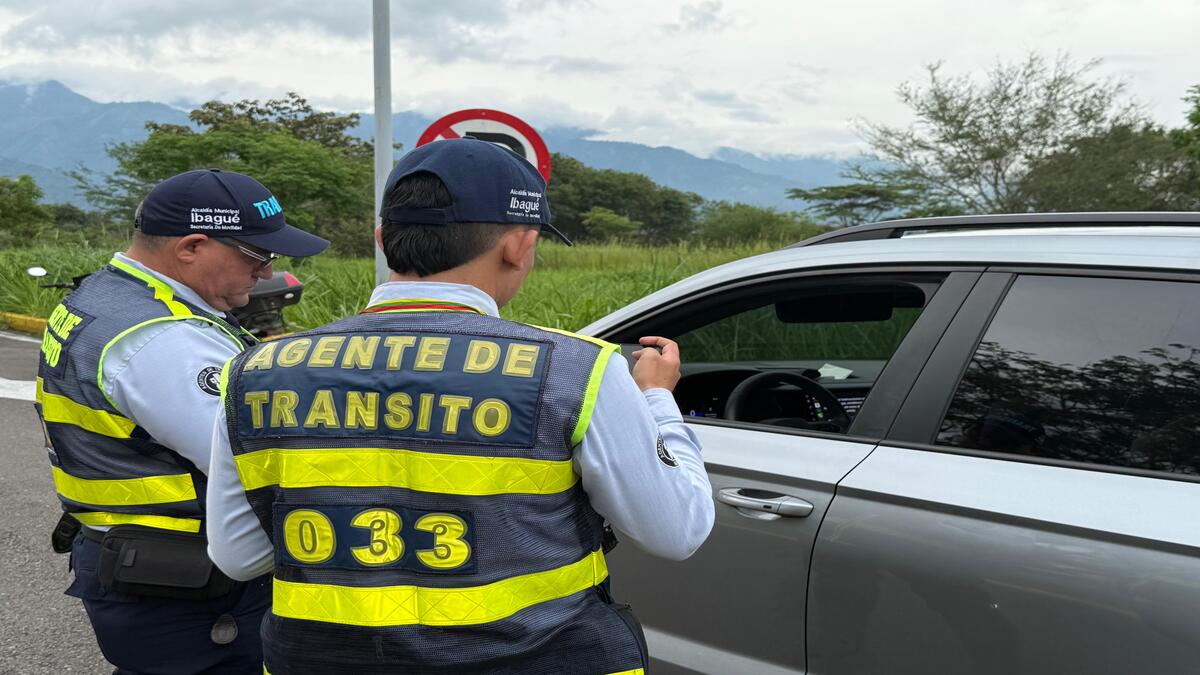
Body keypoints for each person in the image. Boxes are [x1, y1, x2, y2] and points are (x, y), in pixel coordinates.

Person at [207, 139, 715, 674]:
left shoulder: (255, 370)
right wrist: (657, 400)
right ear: (519, 245)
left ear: (384, 240)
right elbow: (676, 530)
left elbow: (239, 558)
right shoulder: (576, 368)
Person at [34, 168, 329, 674]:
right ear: (191, 247)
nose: (264, 273)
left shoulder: (109, 297)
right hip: (193, 591)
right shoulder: (161, 340)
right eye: (258, 255)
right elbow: (264, 463)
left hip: (146, 568)